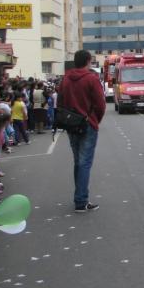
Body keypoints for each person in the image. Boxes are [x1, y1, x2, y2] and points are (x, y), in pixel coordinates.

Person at [58, 50, 106, 213]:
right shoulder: (91, 79)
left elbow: (60, 101)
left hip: (71, 123)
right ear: (88, 61)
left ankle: (79, 197)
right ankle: (81, 200)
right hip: (87, 123)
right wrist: (95, 120)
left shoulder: (65, 79)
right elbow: (100, 104)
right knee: (84, 162)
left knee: (78, 161)